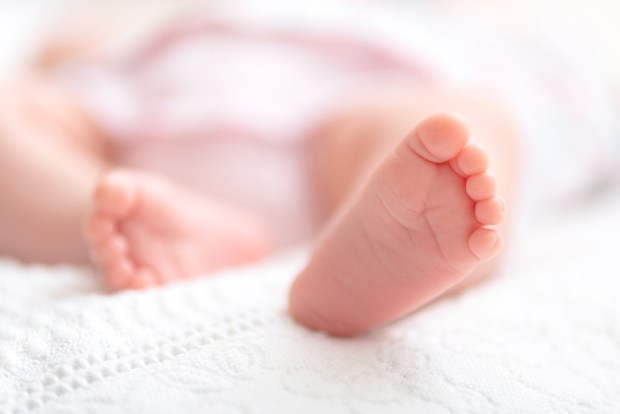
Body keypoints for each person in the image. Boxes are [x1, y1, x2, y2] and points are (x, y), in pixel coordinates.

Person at [0, 0, 616, 336]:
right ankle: (106, 216)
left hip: (354, 109)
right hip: (145, 115)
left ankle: (378, 252)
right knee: (13, 111)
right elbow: (60, 51)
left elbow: (560, 107)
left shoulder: (458, 28)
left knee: (456, 129)